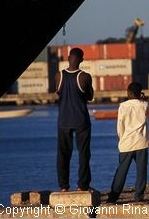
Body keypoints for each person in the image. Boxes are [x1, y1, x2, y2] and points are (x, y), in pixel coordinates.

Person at [55, 47, 94, 192]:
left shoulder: (58, 76)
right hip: (81, 120)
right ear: (82, 60)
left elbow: (58, 94)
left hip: (64, 120)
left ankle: (64, 187)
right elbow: (90, 96)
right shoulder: (85, 77)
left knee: (63, 154)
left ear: (68, 58)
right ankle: (82, 185)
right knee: (83, 154)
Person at [107, 83, 149, 203]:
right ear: (140, 93)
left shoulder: (122, 106)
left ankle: (113, 196)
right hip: (141, 142)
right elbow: (145, 110)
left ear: (129, 93)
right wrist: (142, 98)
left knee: (122, 170)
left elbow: (120, 126)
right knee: (141, 171)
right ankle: (139, 196)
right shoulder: (145, 105)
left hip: (126, 142)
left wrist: (120, 139)